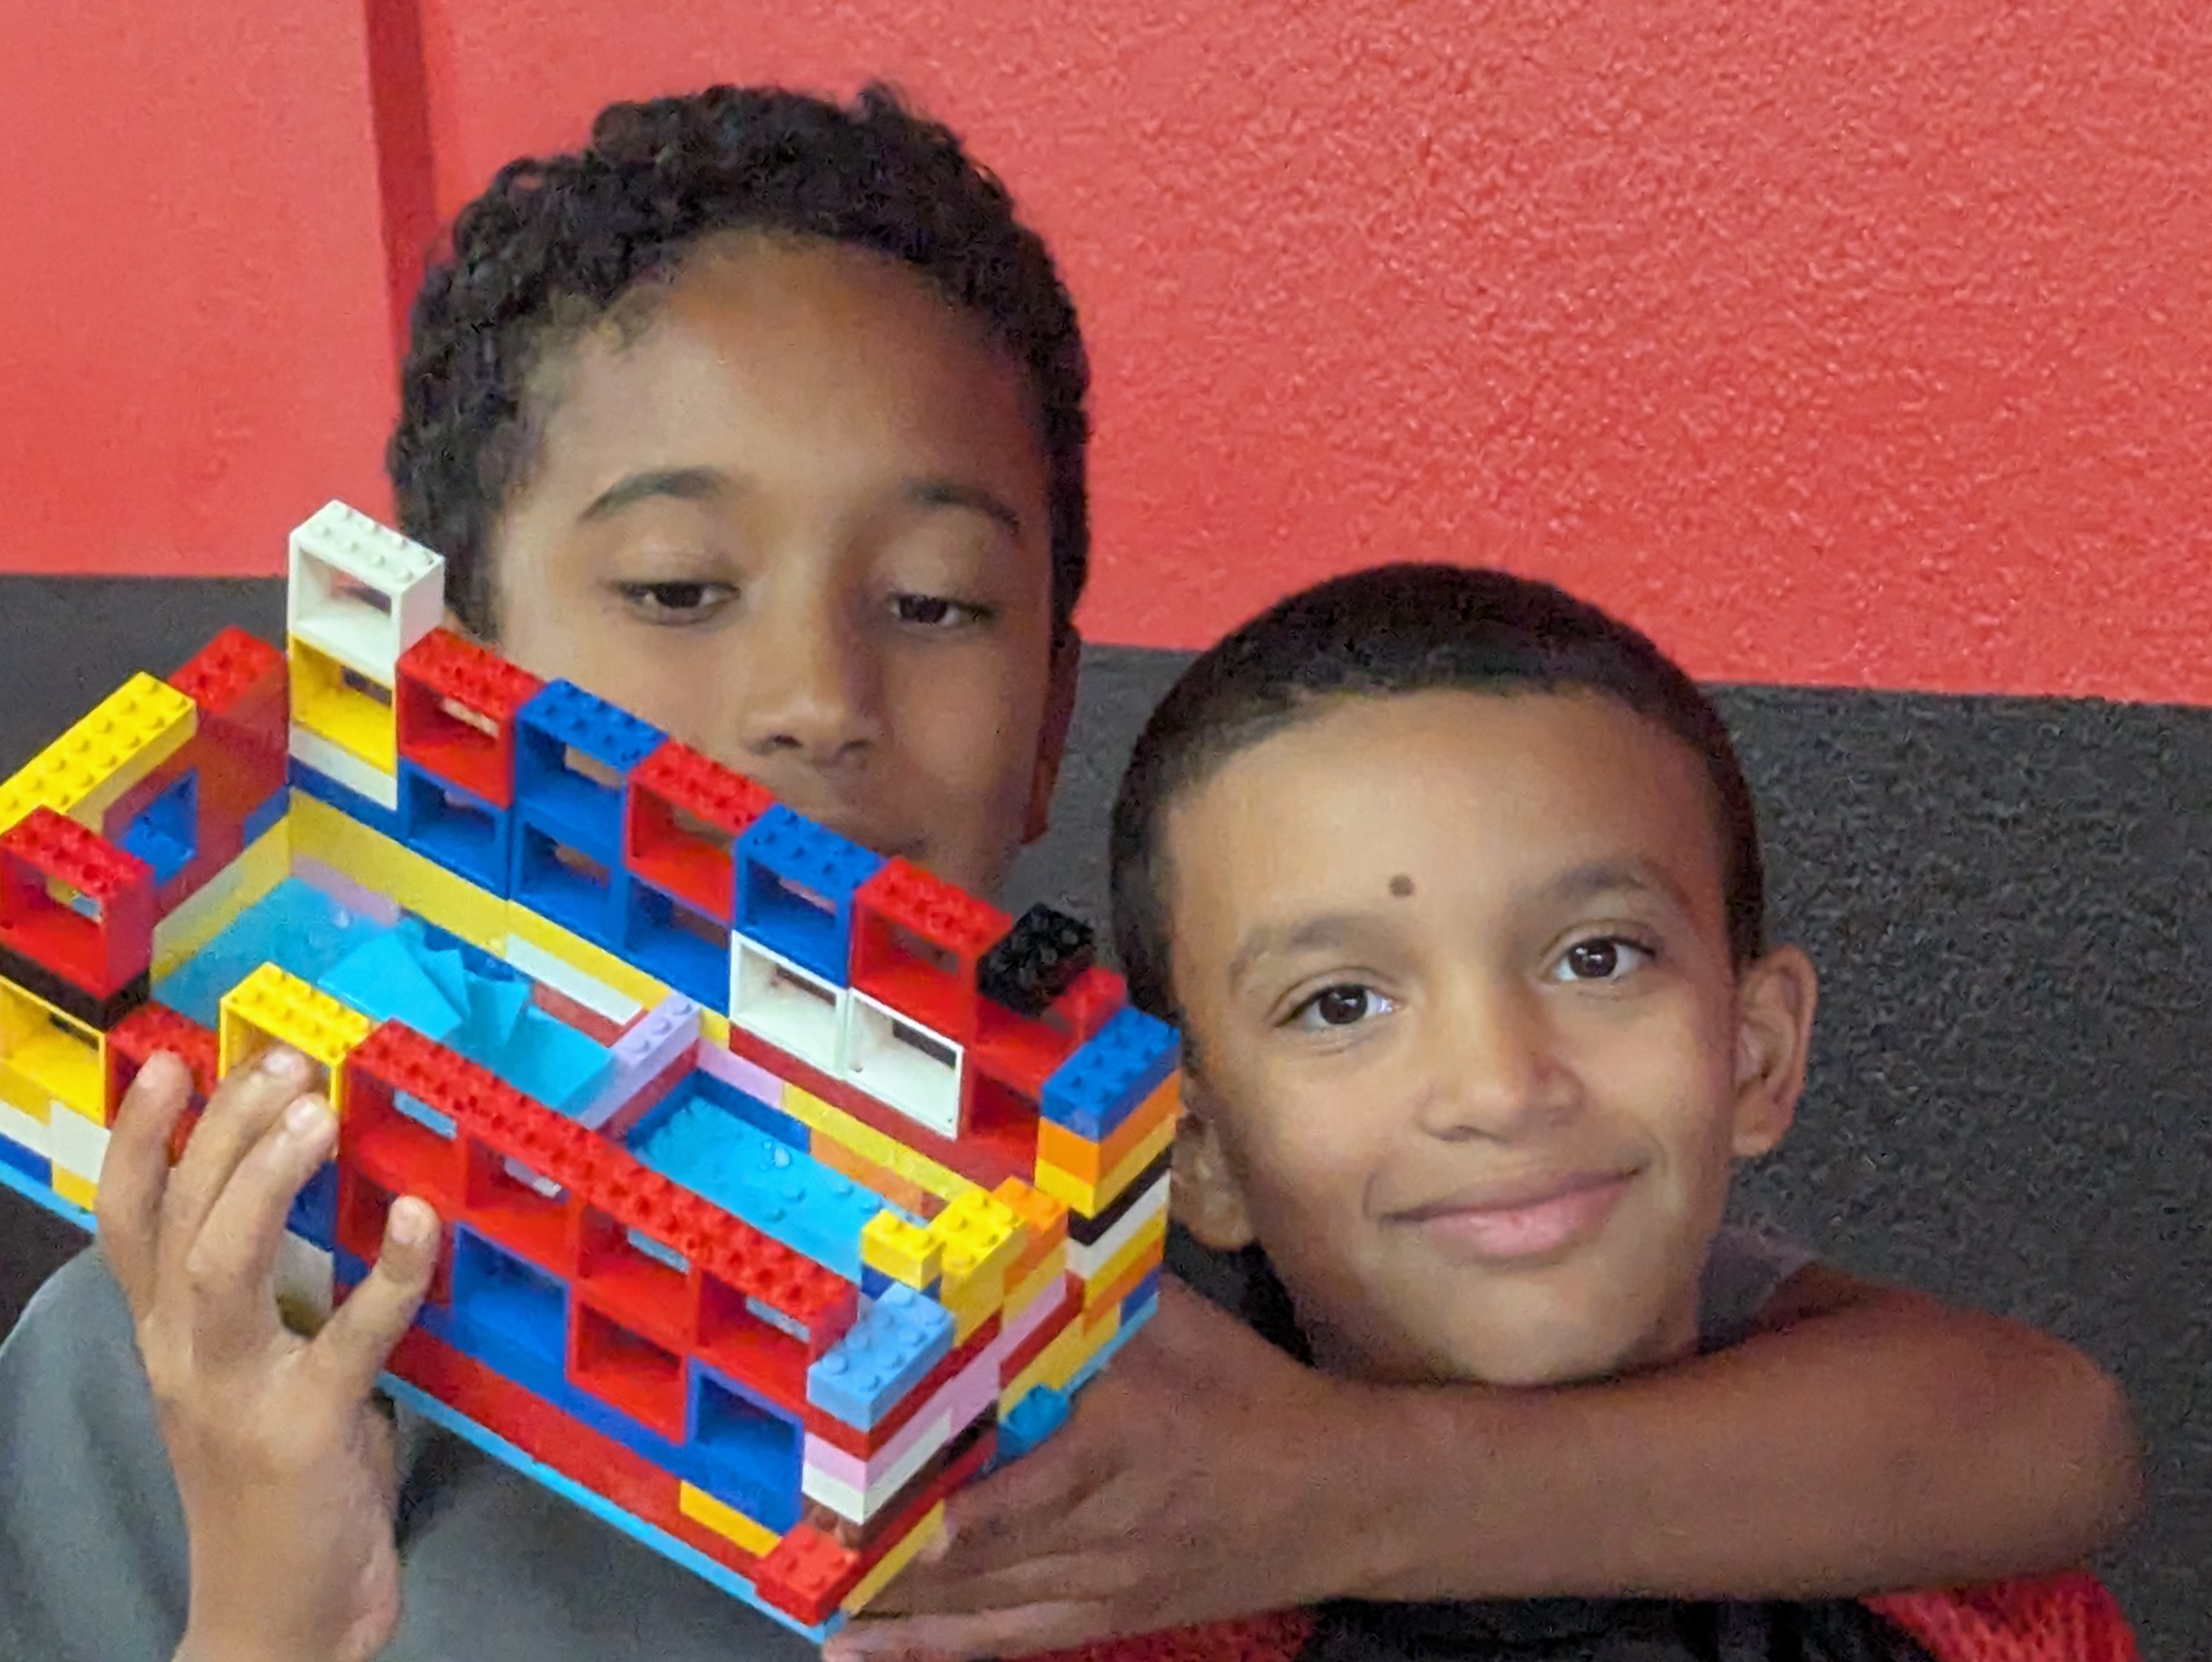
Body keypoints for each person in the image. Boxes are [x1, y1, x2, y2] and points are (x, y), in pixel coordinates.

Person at [0, 84, 2139, 1662]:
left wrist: (1346, 1483)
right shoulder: (198, 1311)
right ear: (450, 668)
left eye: (940, 603)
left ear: (1055, 699)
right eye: (675, 588)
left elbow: (2037, 1437)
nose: (814, 697)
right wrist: (273, 1604)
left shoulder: (1220, 1222)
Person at [843, 562, 2135, 1662]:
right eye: (1341, 1003)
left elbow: (2061, 1431)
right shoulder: (1078, 1600)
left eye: (1597, 958)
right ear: (1196, 1147)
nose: (1502, 1089)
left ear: (1754, 1055)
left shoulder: (1982, 1613)